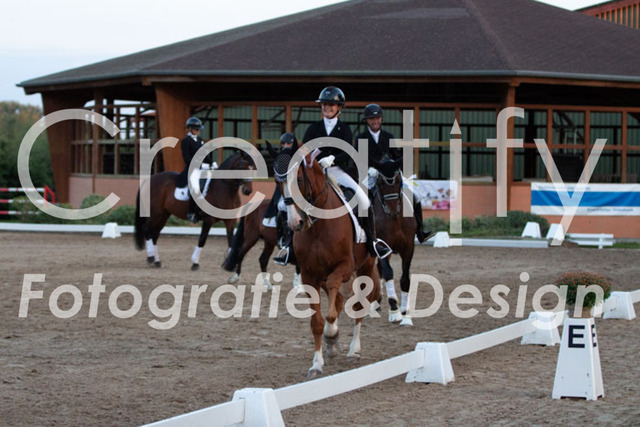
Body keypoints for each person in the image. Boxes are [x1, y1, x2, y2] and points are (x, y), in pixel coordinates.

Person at [299, 86, 391, 259]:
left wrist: (332, 158)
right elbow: (304, 150)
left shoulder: (344, 129)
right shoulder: (313, 128)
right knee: (290, 201)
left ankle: (372, 242)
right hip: (315, 173)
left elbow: (348, 152)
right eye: (324, 104)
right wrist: (312, 161)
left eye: (331, 105)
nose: (327, 107)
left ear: (339, 108)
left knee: (364, 201)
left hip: (336, 171)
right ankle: (288, 246)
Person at [355, 104, 432, 243]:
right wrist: (368, 168)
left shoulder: (388, 136)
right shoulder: (361, 138)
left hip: (389, 175)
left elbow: (395, 155)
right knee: (360, 198)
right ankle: (361, 232)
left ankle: (420, 231)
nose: (375, 121)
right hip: (370, 174)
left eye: (377, 118)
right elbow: (358, 159)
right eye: (372, 119)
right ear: (367, 120)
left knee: (415, 195)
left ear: (381, 119)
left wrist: (400, 162)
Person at [265, 132, 297, 265]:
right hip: (284, 189)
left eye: (289, 143)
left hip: (299, 188)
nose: (285, 146)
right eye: (283, 143)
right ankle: (286, 241)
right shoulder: (280, 158)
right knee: (282, 206)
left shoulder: (298, 155)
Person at [176, 116, 212, 223]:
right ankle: (191, 212)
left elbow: (204, 155)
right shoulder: (185, 141)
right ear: (190, 129)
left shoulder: (200, 140)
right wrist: (198, 165)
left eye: (199, 129)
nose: (198, 131)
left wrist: (212, 163)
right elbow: (186, 158)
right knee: (196, 188)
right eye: (196, 129)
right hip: (191, 169)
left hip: (202, 168)